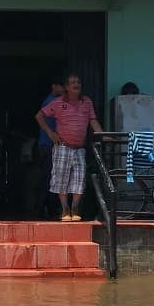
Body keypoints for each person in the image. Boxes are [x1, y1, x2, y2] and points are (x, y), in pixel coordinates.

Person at [35, 73, 103, 221]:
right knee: (61, 179)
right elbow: (39, 116)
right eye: (72, 82)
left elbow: (93, 121)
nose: (76, 84)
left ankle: (75, 208)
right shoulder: (58, 102)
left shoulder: (87, 102)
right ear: (67, 87)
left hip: (79, 148)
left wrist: (103, 135)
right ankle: (65, 209)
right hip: (63, 147)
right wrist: (50, 133)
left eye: (78, 82)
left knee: (79, 179)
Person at [35, 75, 65, 218]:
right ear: (54, 86)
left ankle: (44, 208)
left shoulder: (52, 101)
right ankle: (44, 209)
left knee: (48, 177)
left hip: (48, 144)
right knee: (49, 178)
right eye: (61, 86)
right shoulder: (53, 102)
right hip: (49, 145)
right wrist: (51, 134)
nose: (63, 89)